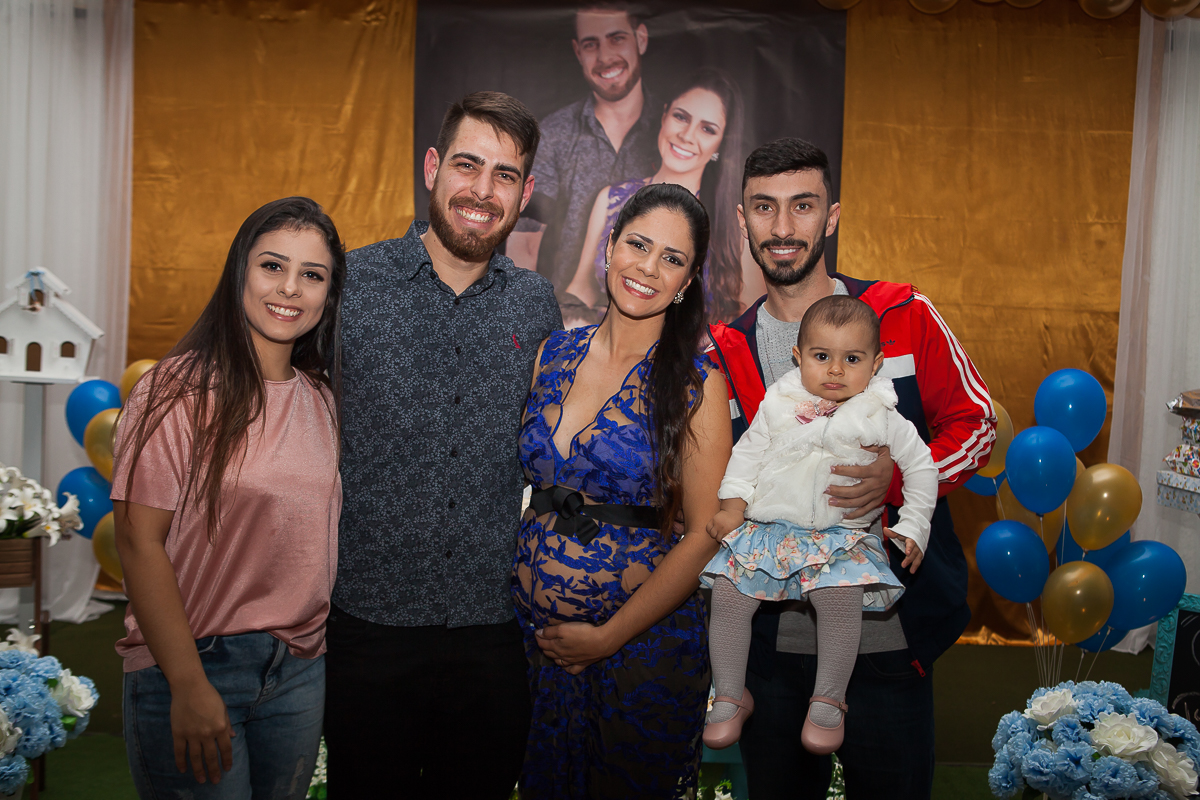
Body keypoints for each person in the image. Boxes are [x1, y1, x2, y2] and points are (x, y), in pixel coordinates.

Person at [707, 138, 996, 799]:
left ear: (830, 217)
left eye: (801, 206)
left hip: (889, 642)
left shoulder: (901, 315)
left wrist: (894, 480)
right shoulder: (724, 352)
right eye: (764, 208)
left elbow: (976, 423)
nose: (783, 228)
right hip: (772, 652)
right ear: (743, 219)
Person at [324, 92, 561, 797]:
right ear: (432, 167)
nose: (483, 192)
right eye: (467, 165)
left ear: (524, 192)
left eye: (505, 175)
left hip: (492, 628)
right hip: (369, 621)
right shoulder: (350, 284)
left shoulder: (536, 304)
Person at [112, 196, 345, 799]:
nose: (290, 288)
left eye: (312, 275)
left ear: (328, 294)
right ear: (240, 269)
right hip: (192, 662)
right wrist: (187, 683)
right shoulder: (177, 390)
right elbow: (139, 543)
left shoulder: (321, 398)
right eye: (273, 266)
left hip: (298, 670)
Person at [513, 182, 733, 798]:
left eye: (672, 259)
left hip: (639, 656)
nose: (648, 268)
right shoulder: (552, 353)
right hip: (533, 651)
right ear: (609, 247)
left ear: (687, 282)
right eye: (638, 244)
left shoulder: (696, 385)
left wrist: (608, 637)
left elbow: (705, 536)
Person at [701, 295, 938, 755]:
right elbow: (745, 456)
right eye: (821, 356)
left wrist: (913, 525)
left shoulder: (882, 414)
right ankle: (730, 692)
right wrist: (732, 506)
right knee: (729, 594)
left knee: (838, 598)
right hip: (771, 530)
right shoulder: (779, 403)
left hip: (839, 538)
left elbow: (923, 467)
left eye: (851, 359)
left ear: (876, 363)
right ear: (798, 356)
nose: (834, 370)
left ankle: (829, 699)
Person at [562, 68, 745, 325]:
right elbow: (582, 290)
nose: (687, 135)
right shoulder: (610, 199)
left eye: (707, 129)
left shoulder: (734, 223)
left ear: (721, 144)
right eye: (681, 117)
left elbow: (744, 321)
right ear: (664, 115)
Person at [508, 3, 659, 289]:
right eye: (591, 44)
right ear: (578, 52)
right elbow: (524, 246)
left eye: (617, 38)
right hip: (569, 317)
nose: (605, 57)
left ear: (640, 38)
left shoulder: (674, 133)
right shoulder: (553, 134)